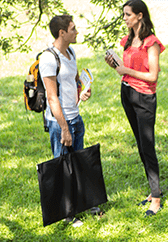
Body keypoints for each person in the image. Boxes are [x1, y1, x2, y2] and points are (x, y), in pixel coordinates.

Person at [105, 0, 164, 217]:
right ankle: (153, 190)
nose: (125, 18)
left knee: (148, 146)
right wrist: (117, 64)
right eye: (124, 15)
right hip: (127, 93)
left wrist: (125, 70)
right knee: (140, 144)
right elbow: (128, 69)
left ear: (140, 16)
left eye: (128, 15)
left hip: (144, 97)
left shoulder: (151, 42)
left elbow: (152, 75)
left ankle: (156, 199)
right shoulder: (129, 40)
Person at [40, 14, 94, 227]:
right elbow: (52, 97)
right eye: (73, 29)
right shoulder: (48, 59)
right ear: (62, 33)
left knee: (78, 161)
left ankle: (81, 203)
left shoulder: (70, 52)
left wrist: (81, 93)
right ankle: (67, 213)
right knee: (63, 165)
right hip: (59, 122)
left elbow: (72, 81)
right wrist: (64, 128)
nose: (76, 31)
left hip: (75, 116)